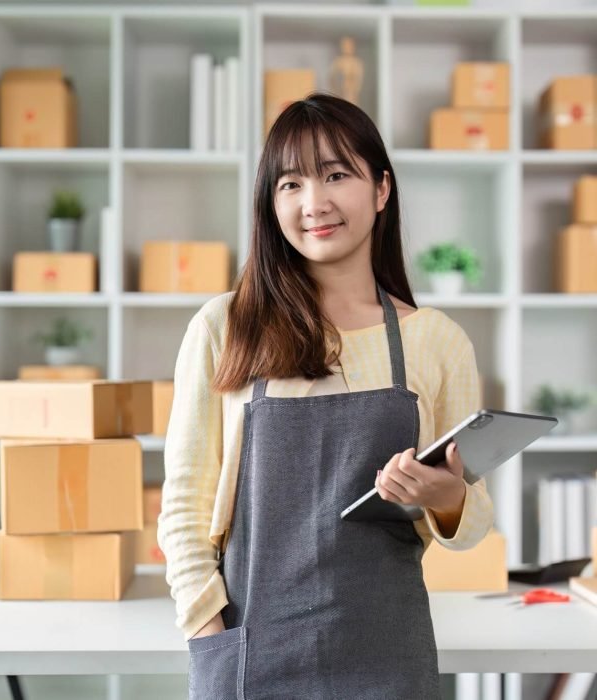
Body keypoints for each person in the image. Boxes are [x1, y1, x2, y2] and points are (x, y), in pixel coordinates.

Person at [158, 92, 494, 699]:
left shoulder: (437, 342)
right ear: (271, 201)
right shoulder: (223, 328)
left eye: (336, 175)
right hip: (248, 657)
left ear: (381, 189)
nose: (314, 203)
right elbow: (184, 510)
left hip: (387, 660)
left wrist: (447, 499)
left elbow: (472, 524)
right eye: (291, 184)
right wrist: (212, 635)